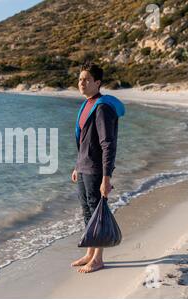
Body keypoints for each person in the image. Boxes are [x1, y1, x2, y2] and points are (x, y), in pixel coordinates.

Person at [70, 62, 125, 273]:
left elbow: (107, 144)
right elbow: (84, 140)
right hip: (83, 167)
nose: (81, 83)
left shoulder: (102, 108)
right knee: (87, 211)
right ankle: (90, 252)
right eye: (80, 79)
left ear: (97, 83)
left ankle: (99, 258)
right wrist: (77, 166)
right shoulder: (86, 104)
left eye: (86, 79)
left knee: (96, 212)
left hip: (95, 171)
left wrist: (106, 177)